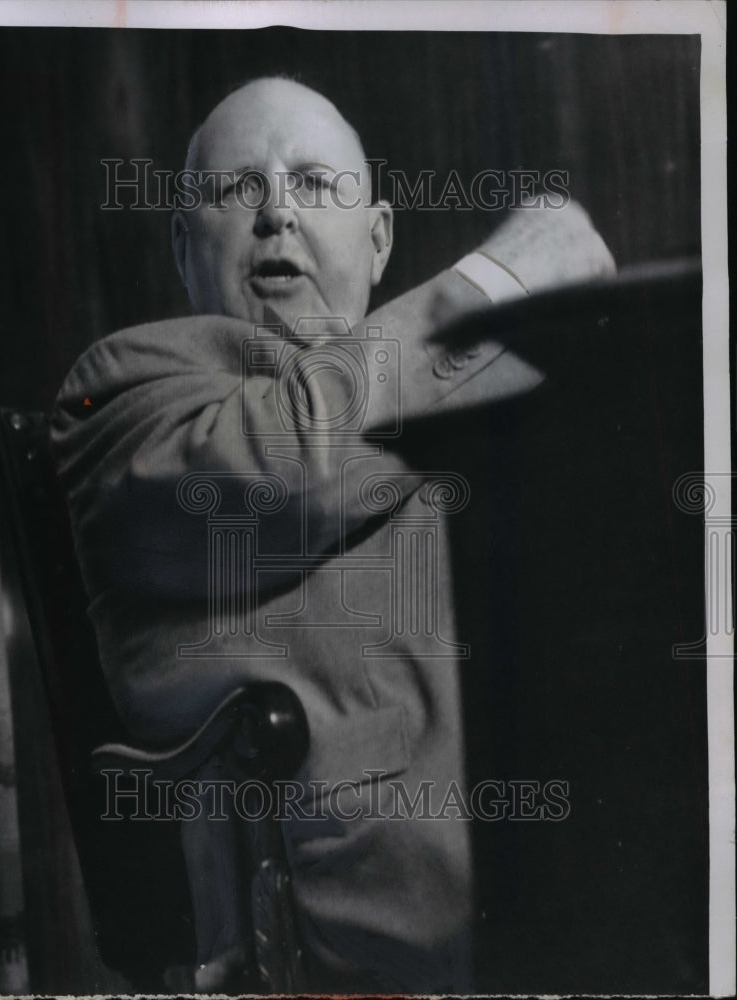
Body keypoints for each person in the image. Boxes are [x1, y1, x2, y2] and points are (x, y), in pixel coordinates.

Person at [52, 76, 615, 992]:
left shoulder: (463, 372)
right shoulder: (121, 390)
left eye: (316, 184)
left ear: (381, 237)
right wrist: (497, 288)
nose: (277, 212)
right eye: (238, 190)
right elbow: (289, 470)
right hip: (376, 892)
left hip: (567, 835)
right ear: (181, 244)